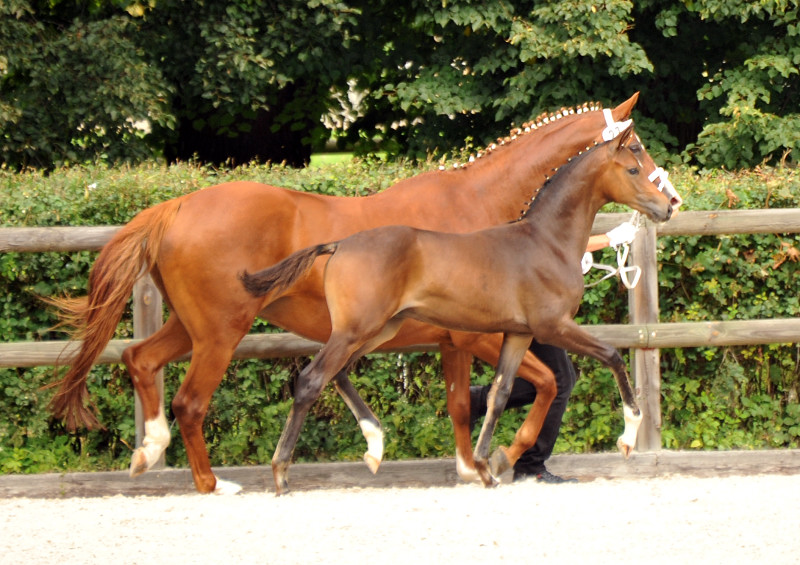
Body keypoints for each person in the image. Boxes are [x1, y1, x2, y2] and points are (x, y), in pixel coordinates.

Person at [469, 221, 638, 484]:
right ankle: (530, 464)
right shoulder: (544, 190)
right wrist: (608, 239)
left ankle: (477, 403)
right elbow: (549, 240)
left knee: (550, 379)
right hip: (534, 297)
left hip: (530, 291)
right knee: (561, 379)